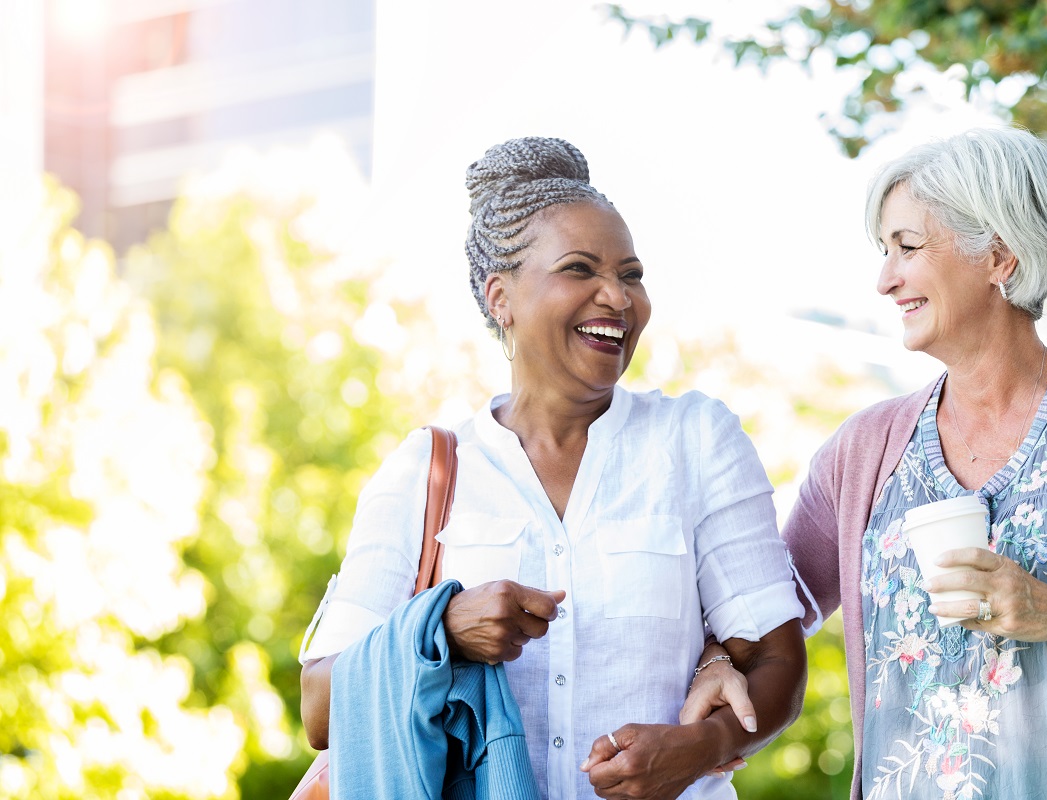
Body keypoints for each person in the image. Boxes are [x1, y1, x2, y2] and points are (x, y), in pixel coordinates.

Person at [685, 126, 1047, 799]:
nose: (884, 279)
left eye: (908, 247)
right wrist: (718, 659)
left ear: (1001, 255)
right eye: (883, 251)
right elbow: (765, 609)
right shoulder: (862, 451)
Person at [297, 136, 808, 800]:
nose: (617, 298)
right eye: (580, 269)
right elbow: (318, 704)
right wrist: (444, 632)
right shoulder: (425, 471)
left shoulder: (695, 441)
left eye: (630, 274)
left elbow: (777, 659)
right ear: (500, 296)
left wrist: (701, 747)